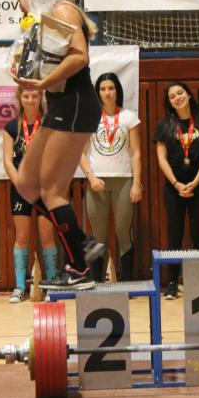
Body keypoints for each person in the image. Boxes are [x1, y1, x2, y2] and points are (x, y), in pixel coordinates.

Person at [10, 0, 104, 290]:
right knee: (26, 184)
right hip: (61, 107)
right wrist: (22, 68)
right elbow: (47, 61)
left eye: (21, 0)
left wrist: (43, 82)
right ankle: (86, 245)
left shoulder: (63, 10)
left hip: (76, 105)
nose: (21, 7)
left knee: (51, 192)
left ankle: (79, 268)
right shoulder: (43, 18)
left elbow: (80, 57)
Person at [153, 81, 199, 299]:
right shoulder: (164, 125)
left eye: (180, 93)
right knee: (174, 235)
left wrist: (195, 182)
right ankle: (172, 282)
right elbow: (161, 159)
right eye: (172, 96)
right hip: (174, 188)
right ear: (169, 102)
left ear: (189, 95)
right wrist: (176, 184)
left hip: (198, 186)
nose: (177, 98)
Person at [79, 73, 142, 282]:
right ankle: (97, 282)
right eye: (103, 88)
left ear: (117, 91)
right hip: (97, 183)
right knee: (97, 234)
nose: (107, 92)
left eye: (111, 88)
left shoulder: (129, 117)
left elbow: (136, 152)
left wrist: (136, 183)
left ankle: (127, 283)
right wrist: (91, 177)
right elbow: (80, 152)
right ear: (98, 92)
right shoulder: (89, 116)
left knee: (123, 232)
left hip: (124, 180)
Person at [2, 87, 58, 302]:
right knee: (22, 237)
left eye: (35, 95)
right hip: (21, 189)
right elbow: (7, 161)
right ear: (20, 98)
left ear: (40, 98)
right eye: (26, 96)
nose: (31, 99)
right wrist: (20, 184)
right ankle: (19, 287)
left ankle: (51, 286)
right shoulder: (11, 127)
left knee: (47, 237)